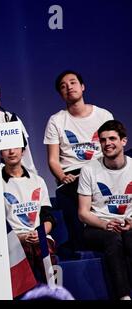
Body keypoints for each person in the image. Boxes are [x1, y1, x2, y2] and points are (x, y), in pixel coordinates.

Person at [44, 70, 113, 253]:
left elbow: (113, 148)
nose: (68, 87)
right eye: (63, 86)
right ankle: (81, 244)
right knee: (69, 195)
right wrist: (62, 176)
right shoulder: (56, 120)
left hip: (100, 171)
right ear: (60, 94)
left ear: (82, 87)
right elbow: (53, 160)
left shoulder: (103, 115)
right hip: (72, 176)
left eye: (73, 83)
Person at [78, 120, 132, 300]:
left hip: (128, 225)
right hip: (97, 227)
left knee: (129, 237)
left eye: (112, 138)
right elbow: (83, 213)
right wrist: (105, 224)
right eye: (103, 140)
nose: (107, 143)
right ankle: (123, 296)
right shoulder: (89, 170)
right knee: (113, 238)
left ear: (123, 141)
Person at [1, 147, 57, 281]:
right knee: (24, 250)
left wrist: (40, 234)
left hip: (39, 236)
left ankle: (56, 293)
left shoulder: (38, 180)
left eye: (15, 147)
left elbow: (48, 217)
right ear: (0, 153)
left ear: (23, 150)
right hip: (12, 239)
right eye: (5, 148)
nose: (11, 152)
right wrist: (19, 237)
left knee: (44, 251)